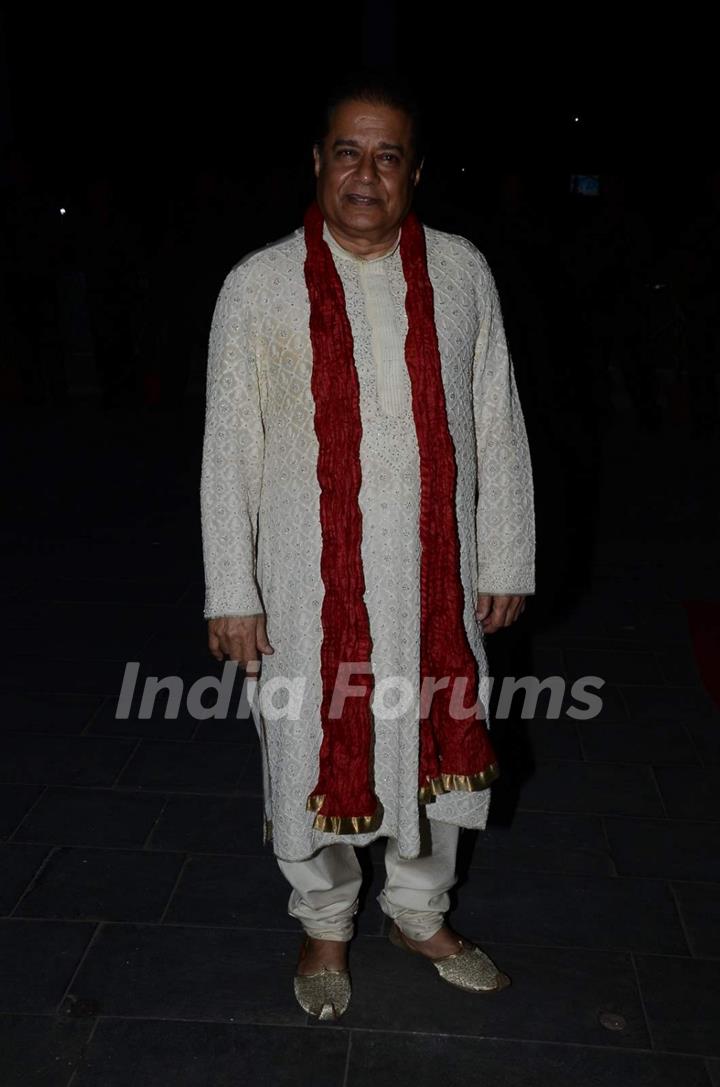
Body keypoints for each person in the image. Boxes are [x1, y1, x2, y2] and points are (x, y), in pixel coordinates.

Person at [200, 70, 535, 1021]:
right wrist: (233, 587)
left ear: (414, 172)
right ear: (317, 162)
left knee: (434, 746)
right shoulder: (259, 286)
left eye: (387, 155)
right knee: (308, 748)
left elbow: (496, 419)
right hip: (307, 588)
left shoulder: (464, 272)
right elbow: (230, 452)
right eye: (348, 151)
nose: (365, 172)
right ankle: (325, 918)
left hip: (439, 574)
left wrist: (506, 553)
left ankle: (420, 910)